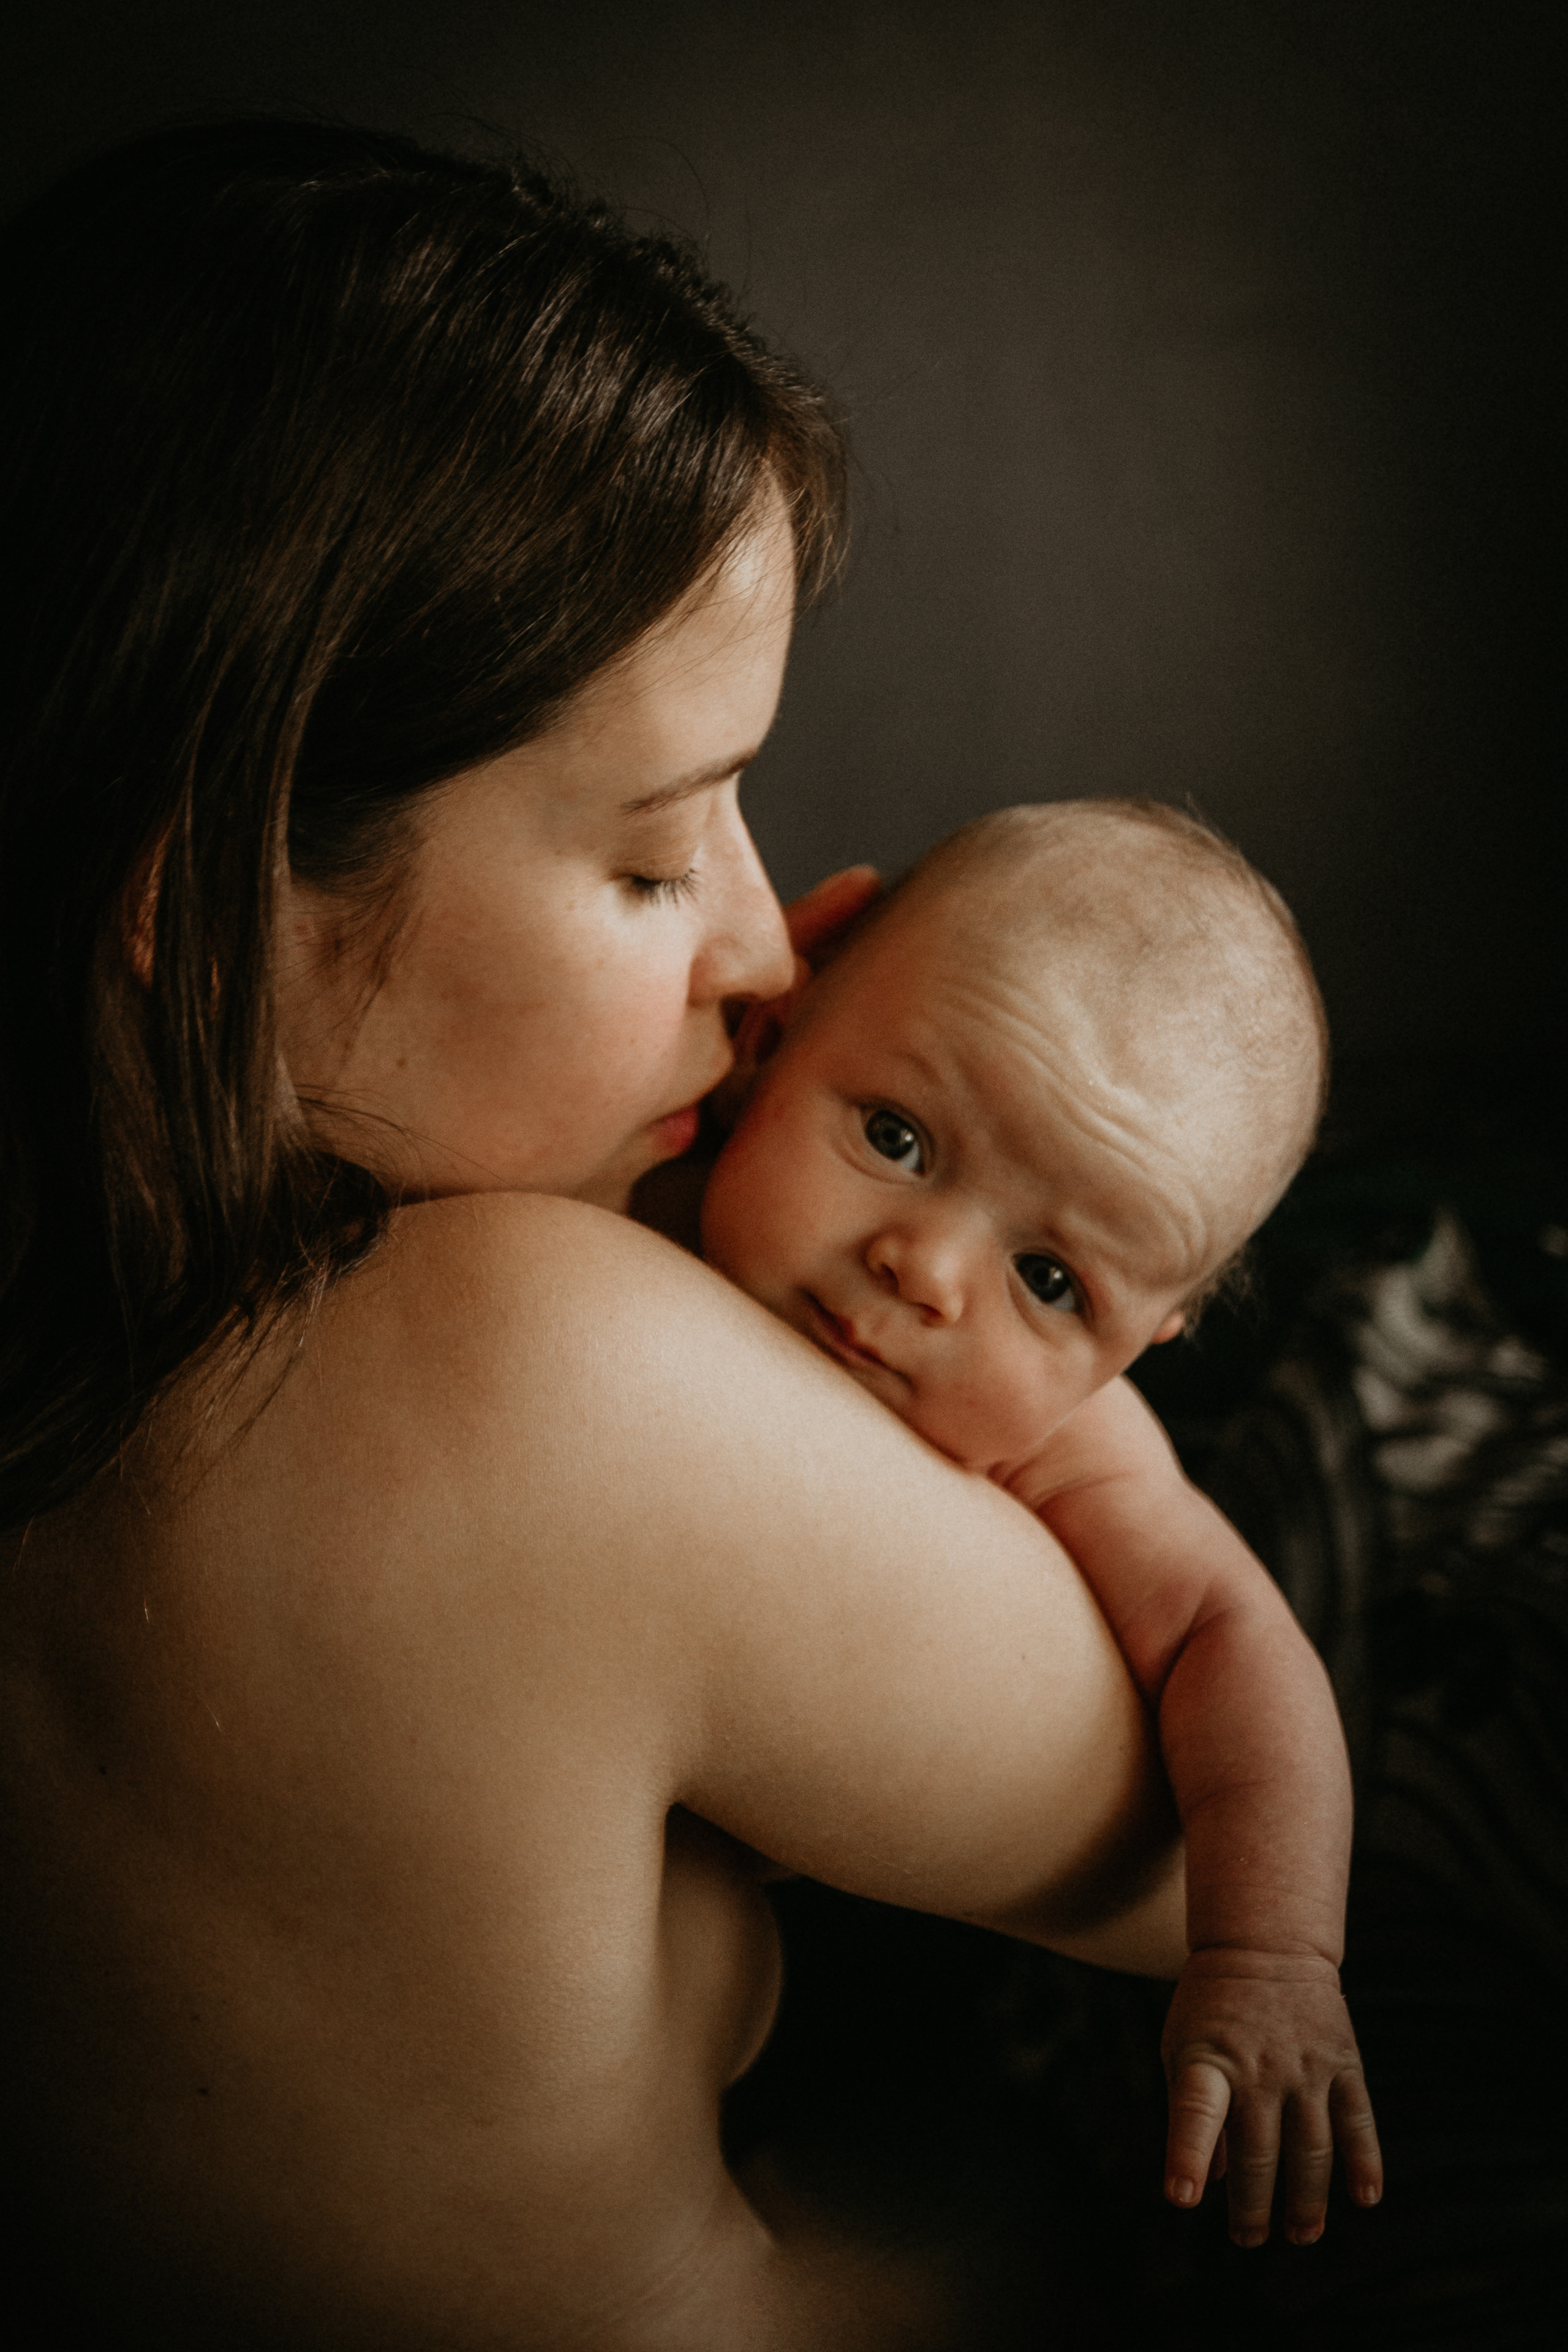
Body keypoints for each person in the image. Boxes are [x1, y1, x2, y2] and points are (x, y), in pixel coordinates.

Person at [1, 121, 1187, 2351]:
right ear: (209, 908)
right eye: (653, 859)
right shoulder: (523, 1364)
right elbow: (1212, 1859)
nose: (769, 944)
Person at [694, 799, 1384, 2243]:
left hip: (871, 1963)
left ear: (1148, 1342)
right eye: (894, 1135)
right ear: (780, 1024)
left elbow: (1229, 1634)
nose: (926, 1269)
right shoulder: (633, 1195)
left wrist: (1268, 1959)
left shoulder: (1074, 1443)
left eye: (1053, 1284)